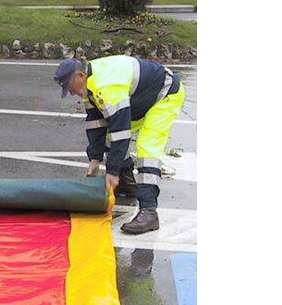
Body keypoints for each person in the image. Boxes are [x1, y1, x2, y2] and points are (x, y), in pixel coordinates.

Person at [53, 55, 185, 234]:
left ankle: (149, 211)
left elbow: (121, 131)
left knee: (147, 147)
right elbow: (96, 122)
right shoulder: (90, 85)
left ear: (81, 76)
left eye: (70, 87)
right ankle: (127, 182)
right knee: (110, 134)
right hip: (142, 99)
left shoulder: (106, 87)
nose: (71, 93)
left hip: (164, 96)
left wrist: (112, 171)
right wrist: (95, 158)